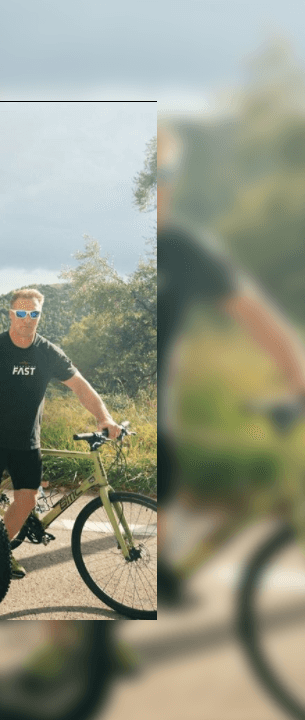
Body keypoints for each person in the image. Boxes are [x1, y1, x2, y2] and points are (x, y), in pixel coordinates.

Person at [155, 126, 305, 603]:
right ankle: (57, 654)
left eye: (163, 174)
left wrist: (298, 377)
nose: (157, 188)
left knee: (155, 548)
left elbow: (254, 313)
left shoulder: (181, 250)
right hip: (106, 403)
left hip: (154, 412)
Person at [0, 288, 123, 582]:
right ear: (11, 314)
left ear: (40, 316)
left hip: (27, 441)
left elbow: (81, 388)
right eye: (21, 313)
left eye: (33, 314)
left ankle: (1, 550)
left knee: (27, 500)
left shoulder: (48, 352)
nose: (27, 319)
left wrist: (105, 418)